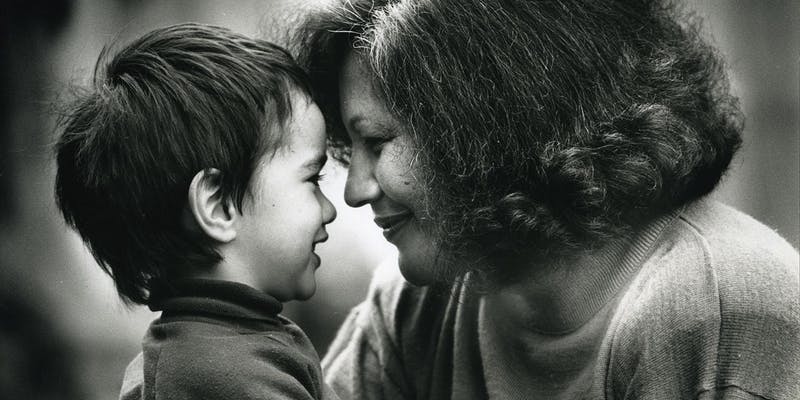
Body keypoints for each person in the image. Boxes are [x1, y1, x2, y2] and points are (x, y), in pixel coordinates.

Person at [297, 0, 800, 399]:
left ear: (491, 128)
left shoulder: (723, 307)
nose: (355, 191)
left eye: (377, 142)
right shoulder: (416, 305)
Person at [55, 23, 339, 400]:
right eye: (312, 179)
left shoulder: (235, 345)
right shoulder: (221, 377)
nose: (330, 209)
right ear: (218, 206)